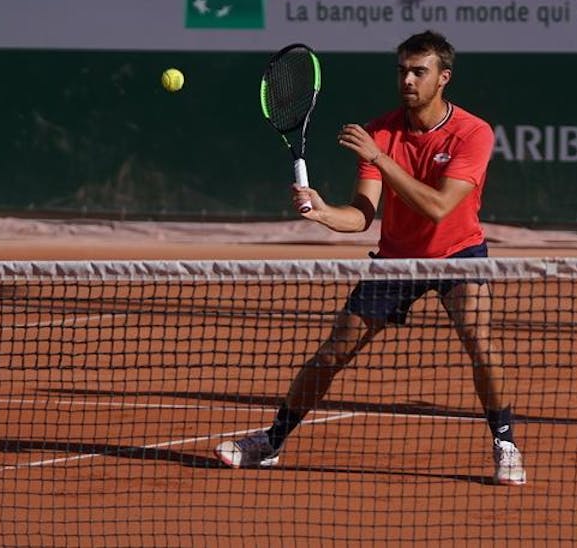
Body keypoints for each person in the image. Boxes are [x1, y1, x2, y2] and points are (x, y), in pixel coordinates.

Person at [215, 30, 526, 485]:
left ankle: (506, 444)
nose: (407, 80)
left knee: (479, 342)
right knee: (333, 352)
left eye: (419, 71)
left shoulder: (472, 133)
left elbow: (438, 207)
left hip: (459, 253)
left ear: (443, 78)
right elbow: (361, 215)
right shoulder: (380, 130)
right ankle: (271, 441)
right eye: (402, 70)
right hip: (396, 259)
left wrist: (380, 158)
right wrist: (324, 213)